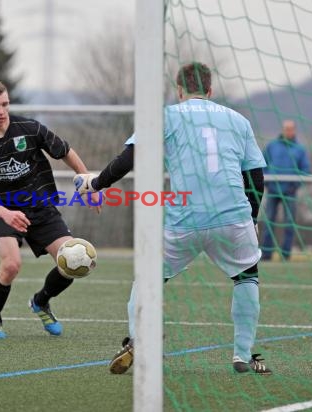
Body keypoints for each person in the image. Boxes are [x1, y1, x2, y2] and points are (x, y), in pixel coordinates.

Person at [74, 62, 272, 375]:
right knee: (246, 277)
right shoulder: (238, 120)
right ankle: (242, 354)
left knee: (149, 279)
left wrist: (96, 184)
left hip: (186, 220)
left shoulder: (166, 115)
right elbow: (255, 177)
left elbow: (129, 158)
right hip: (233, 216)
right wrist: (253, 218)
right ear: (210, 90)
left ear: (179, 91)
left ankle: (138, 338)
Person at [0, 81, 100, 339]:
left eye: (5, 104)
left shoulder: (29, 128)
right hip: (4, 210)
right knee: (11, 265)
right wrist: (6, 214)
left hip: (41, 206)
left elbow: (65, 151)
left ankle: (41, 301)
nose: (1, 111)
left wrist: (87, 183)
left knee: (72, 261)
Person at [261, 120, 310, 261]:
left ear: (294, 130)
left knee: (289, 223)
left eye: (291, 129)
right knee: (269, 222)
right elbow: (262, 163)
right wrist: (267, 181)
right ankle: (266, 255)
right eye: (286, 129)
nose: (288, 131)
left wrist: (295, 185)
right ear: (282, 130)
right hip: (272, 189)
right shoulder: (272, 146)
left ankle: (285, 255)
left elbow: (305, 170)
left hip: (290, 191)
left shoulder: (300, 149)